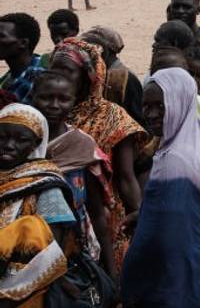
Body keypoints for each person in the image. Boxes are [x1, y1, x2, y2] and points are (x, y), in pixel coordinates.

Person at [120, 68, 200, 307]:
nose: (152, 114)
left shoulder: (174, 159)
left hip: (184, 278)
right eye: (146, 106)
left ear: (182, 101)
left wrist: (129, 279)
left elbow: (159, 236)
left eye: (161, 105)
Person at [50, 38, 147, 268]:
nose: (60, 76)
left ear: (88, 77)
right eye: (54, 69)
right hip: (58, 220)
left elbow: (125, 177)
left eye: (68, 71)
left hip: (108, 219)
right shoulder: (48, 114)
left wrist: (140, 220)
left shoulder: (112, 116)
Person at [30, 71, 115, 275]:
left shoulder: (81, 146)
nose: (54, 105)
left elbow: (96, 213)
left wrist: (112, 273)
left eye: (63, 99)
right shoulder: (16, 143)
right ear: (33, 98)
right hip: (25, 252)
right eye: (46, 97)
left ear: (74, 102)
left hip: (74, 253)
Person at [0, 104, 79, 307]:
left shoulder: (44, 182)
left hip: (27, 283)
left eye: (21, 140)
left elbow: (54, 240)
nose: (9, 145)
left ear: (36, 143)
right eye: (2, 137)